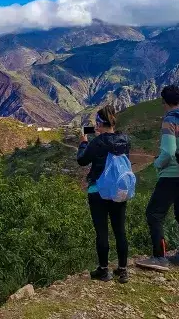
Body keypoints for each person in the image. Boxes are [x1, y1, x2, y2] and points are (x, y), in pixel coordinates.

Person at [136, 85, 179, 272]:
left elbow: (169, 151)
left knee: (154, 214)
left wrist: (157, 164)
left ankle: (159, 257)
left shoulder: (170, 120)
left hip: (171, 174)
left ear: (163, 101)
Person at [77, 105, 131, 283]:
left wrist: (84, 142)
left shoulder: (97, 142)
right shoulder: (124, 140)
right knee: (120, 230)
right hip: (119, 190)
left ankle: (104, 270)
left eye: (96, 123)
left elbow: (82, 160)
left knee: (102, 232)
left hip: (98, 191)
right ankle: (123, 270)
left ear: (100, 124)